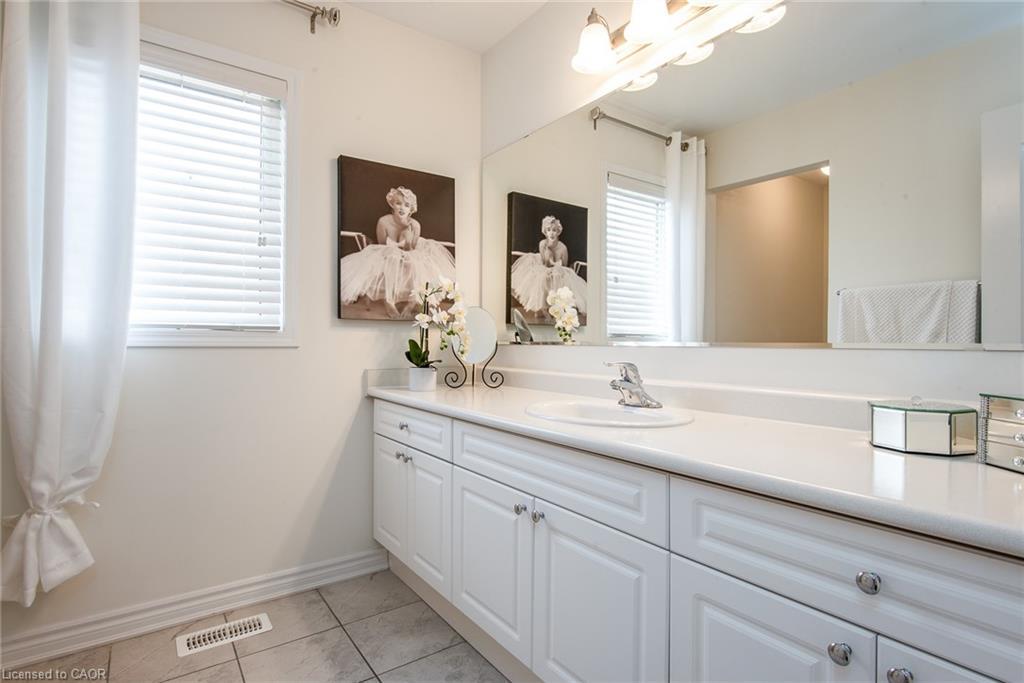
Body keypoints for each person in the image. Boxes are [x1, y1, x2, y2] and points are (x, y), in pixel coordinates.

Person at [339, 186, 455, 318]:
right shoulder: (383, 221)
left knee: (416, 263)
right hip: (387, 251)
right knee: (392, 258)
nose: (401, 208)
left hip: (410, 250)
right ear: (392, 204)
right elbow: (382, 244)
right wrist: (396, 247)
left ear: (411, 209)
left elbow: (410, 248)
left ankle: (412, 303)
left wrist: (406, 232)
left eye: (406, 205)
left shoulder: (415, 225)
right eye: (398, 203)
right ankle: (389, 301)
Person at [510, 215, 587, 318]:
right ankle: (542, 307)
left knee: (558, 274)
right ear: (545, 232)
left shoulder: (563, 248)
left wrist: (556, 265)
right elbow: (545, 263)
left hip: (559, 271)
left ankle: (557, 308)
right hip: (545, 267)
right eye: (549, 230)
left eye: (554, 230)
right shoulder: (542, 244)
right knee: (541, 276)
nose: (551, 233)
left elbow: (564, 266)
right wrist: (548, 254)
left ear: (558, 232)